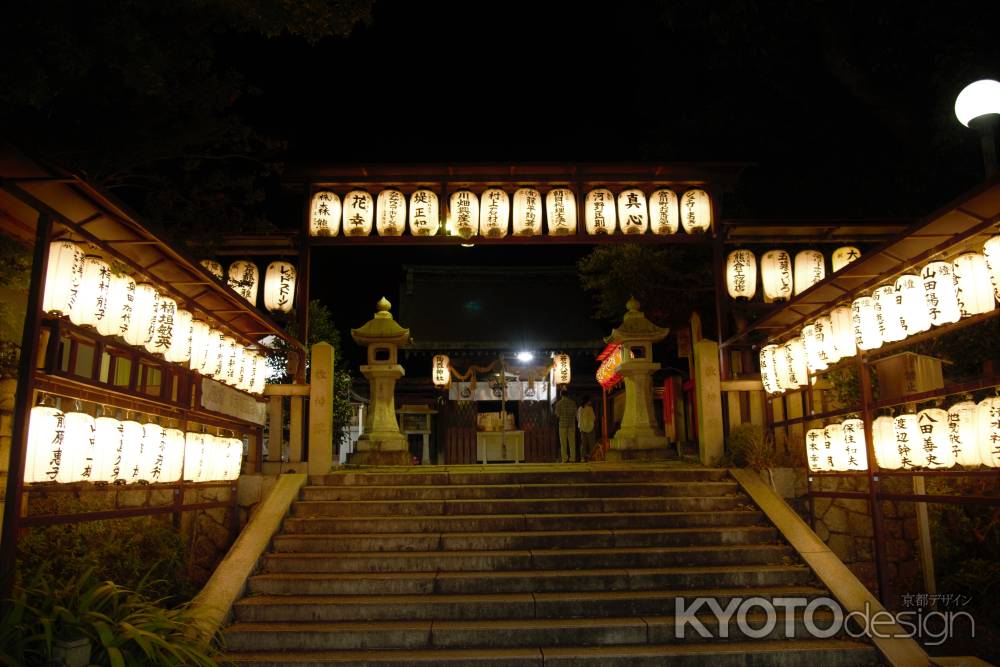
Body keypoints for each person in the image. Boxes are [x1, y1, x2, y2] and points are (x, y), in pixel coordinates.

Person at [553, 390, 577, 463]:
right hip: (571, 424)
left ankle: (564, 458)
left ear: (561, 395)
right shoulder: (573, 403)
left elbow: (557, 414)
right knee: (572, 442)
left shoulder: (558, 404)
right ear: (568, 395)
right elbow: (575, 413)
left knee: (563, 443)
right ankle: (572, 458)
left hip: (562, 425)